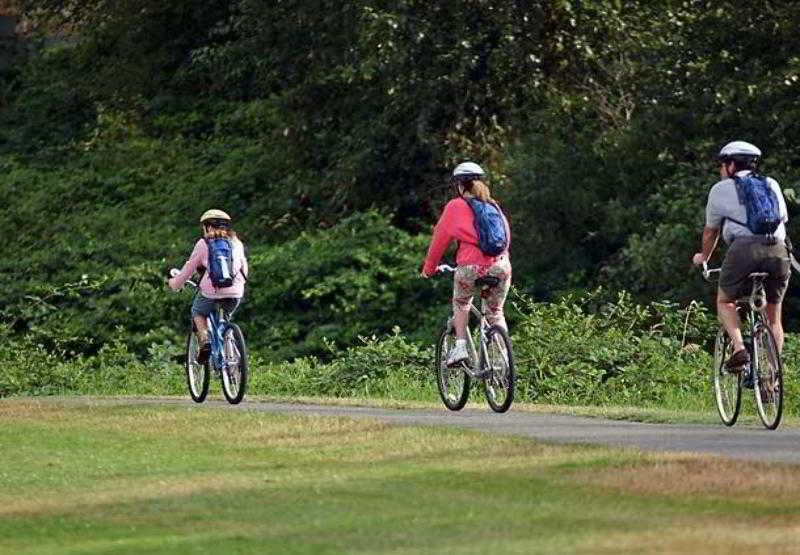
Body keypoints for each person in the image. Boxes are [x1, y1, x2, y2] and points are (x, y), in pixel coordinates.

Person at [692, 141, 790, 369]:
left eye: (722, 165)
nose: (721, 170)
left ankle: (739, 349)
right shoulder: (771, 184)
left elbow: (710, 232)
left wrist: (703, 257)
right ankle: (771, 380)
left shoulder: (720, 189)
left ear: (731, 165)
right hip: (778, 249)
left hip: (743, 250)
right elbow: (782, 220)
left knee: (725, 301)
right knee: (774, 317)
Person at [421, 162, 512, 367]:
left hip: (471, 267)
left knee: (462, 303)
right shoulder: (493, 206)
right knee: (495, 312)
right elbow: (505, 237)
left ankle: (460, 347)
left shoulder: (455, 206)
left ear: (460, 186)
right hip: (501, 265)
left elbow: (439, 240)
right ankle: (504, 360)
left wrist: (429, 268)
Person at [169, 209, 249, 362]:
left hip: (211, 292)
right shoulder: (236, 243)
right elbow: (243, 268)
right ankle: (230, 350)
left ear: (208, 227)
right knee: (225, 320)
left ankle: (204, 341)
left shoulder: (203, 243)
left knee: (198, 311)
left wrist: (174, 284)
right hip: (235, 292)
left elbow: (188, 270)